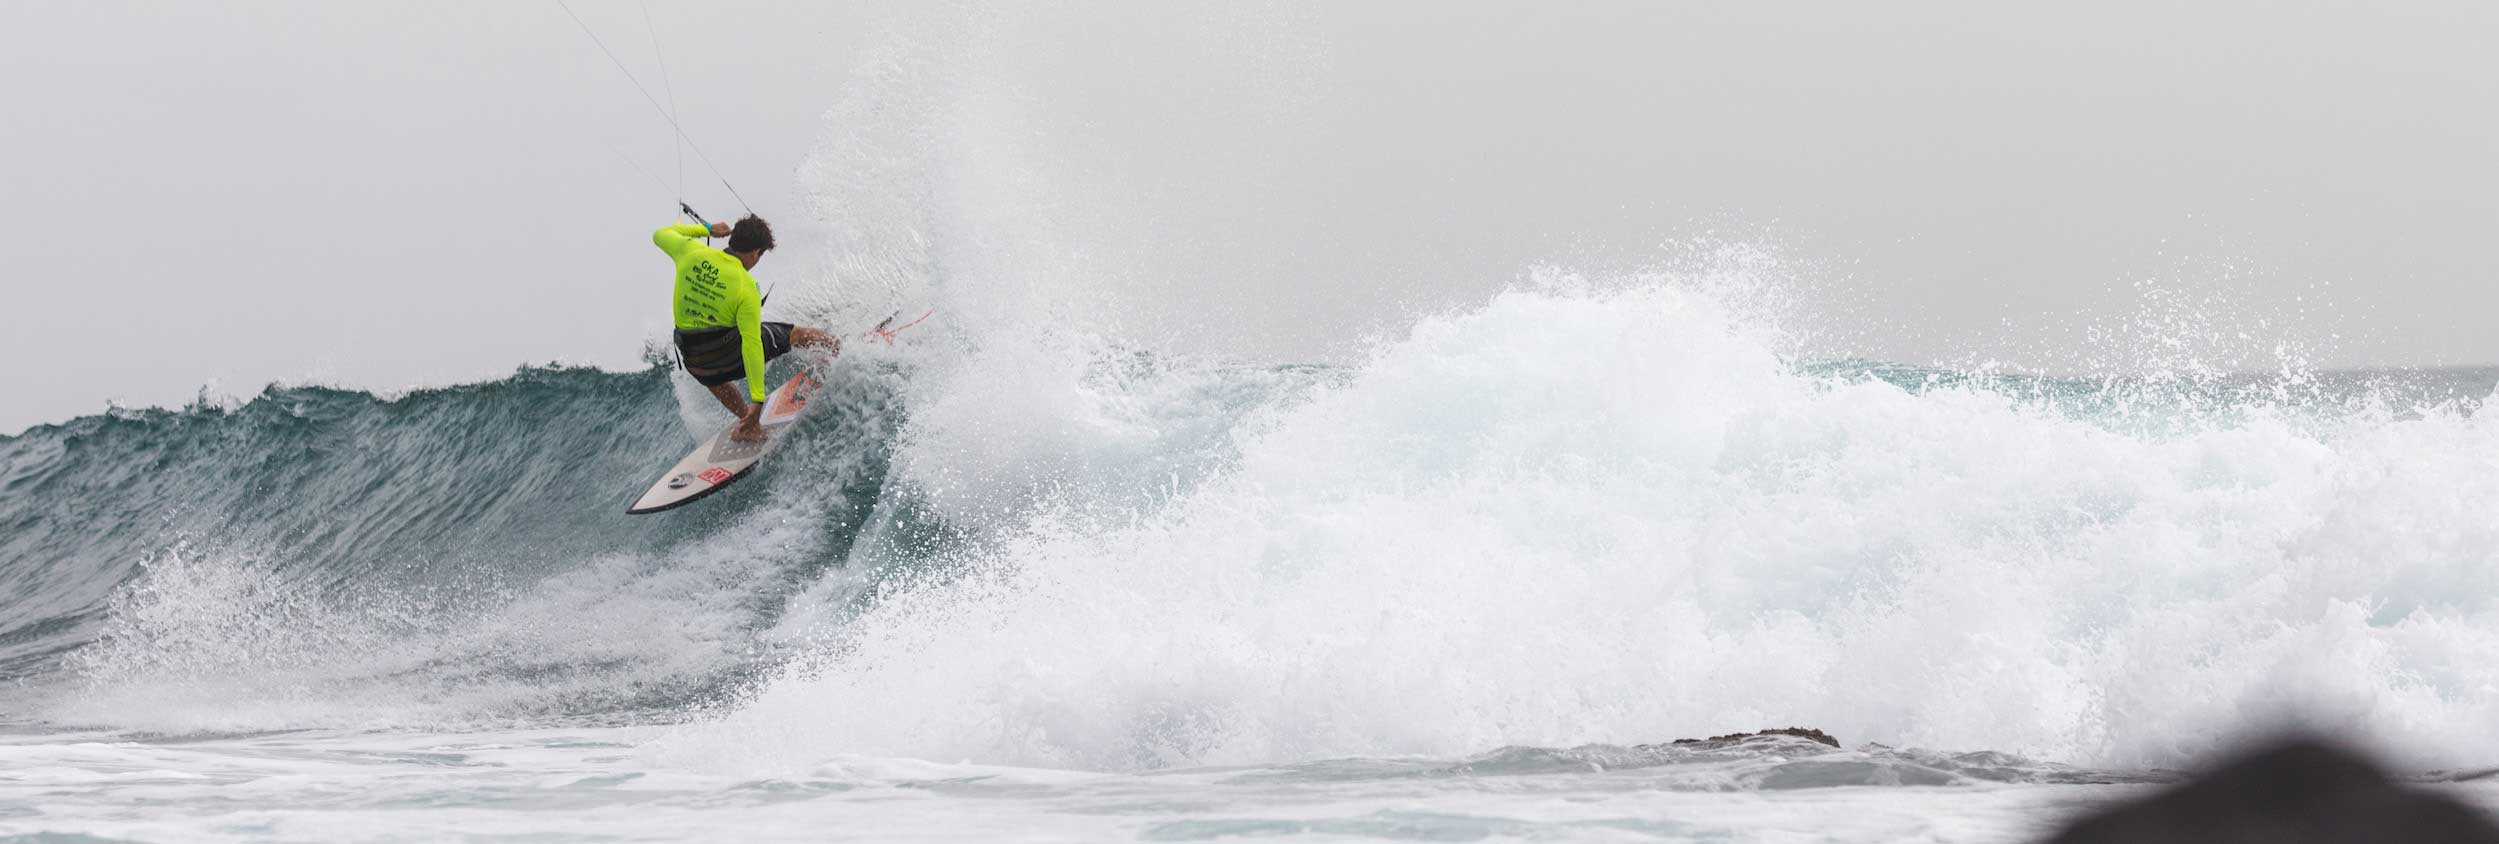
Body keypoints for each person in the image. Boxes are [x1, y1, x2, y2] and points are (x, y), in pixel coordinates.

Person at [654, 215, 838, 442]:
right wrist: (757, 400)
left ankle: (747, 424)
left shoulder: (690, 252)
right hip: (729, 359)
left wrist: (707, 229)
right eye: (760, 255)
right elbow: (752, 344)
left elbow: (660, 234)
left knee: (713, 372)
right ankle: (840, 350)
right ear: (755, 253)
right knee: (795, 334)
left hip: (697, 366)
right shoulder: (746, 286)